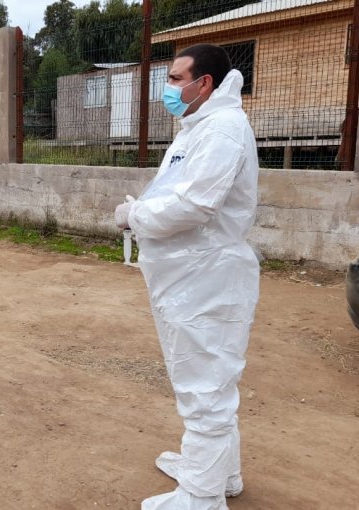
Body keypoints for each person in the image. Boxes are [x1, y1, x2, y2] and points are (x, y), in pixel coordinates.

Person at [114, 44, 260, 510]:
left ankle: (201, 497)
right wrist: (142, 212)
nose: (169, 87)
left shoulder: (223, 130)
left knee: (205, 390)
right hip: (189, 277)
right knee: (208, 382)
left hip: (207, 278)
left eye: (177, 79)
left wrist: (135, 215)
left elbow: (196, 205)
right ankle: (220, 474)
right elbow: (179, 192)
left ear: (205, 84)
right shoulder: (200, 127)